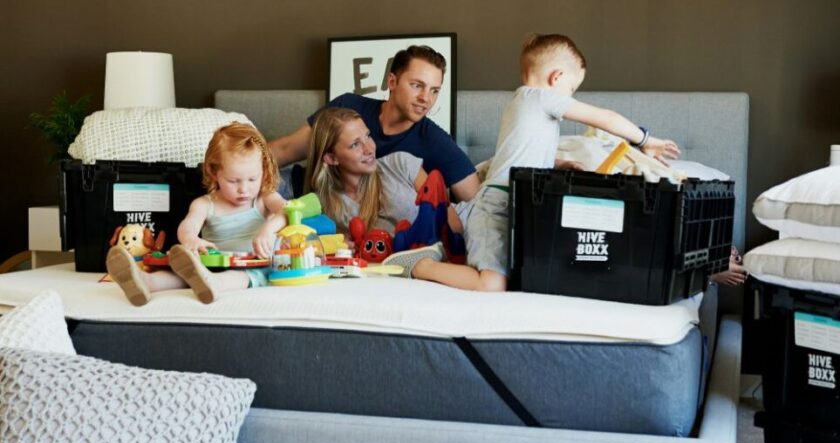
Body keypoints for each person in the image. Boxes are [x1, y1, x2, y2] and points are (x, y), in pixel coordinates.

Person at [384, 33, 682, 291]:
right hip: (496, 208)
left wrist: (558, 165)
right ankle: (421, 265)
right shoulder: (538, 97)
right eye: (572, 90)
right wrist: (644, 140)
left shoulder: (524, 105)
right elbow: (604, 119)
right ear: (557, 78)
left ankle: (450, 249)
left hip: (516, 206)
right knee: (491, 285)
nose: (571, 97)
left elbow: (521, 154)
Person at [106, 122, 288, 306]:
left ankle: (214, 284)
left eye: (252, 179)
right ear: (214, 172)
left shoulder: (265, 198)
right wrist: (190, 239)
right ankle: (145, 281)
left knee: (241, 276)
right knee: (186, 272)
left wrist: (268, 229)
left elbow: (289, 210)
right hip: (211, 264)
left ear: (263, 170)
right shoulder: (204, 204)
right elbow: (188, 225)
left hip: (254, 266)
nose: (244, 189)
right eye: (233, 181)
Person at [270, 45, 480, 203]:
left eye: (434, 90)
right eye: (417, 85)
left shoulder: (435, 141)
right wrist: (241, 172)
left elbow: (476, 202)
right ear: (392, 82)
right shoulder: (348, 106)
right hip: (297, 193)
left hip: (348, 224)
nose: (426, 98)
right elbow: (286, 149)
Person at [305, 107, 462, 242]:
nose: (369, 148)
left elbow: (452, 223)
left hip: (441, 250)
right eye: (355, 144)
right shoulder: (328, 205)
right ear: (332, 158)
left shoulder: (400, 164)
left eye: (368, 136)